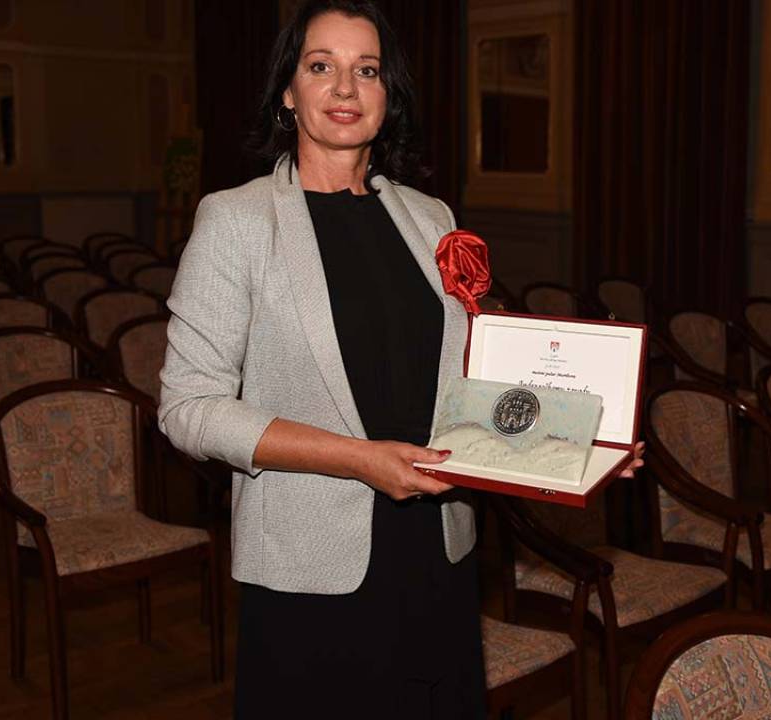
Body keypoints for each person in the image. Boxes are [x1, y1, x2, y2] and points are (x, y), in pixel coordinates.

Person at [160, 1, 642, 717]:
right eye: (321, 66)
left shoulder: (430, 218)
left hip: (436, 544)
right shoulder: (237, 221)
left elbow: (465, 376)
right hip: (311, 565)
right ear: (288, 91)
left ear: (389, 94)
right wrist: (359, 459)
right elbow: (188, 409)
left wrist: (576, 438)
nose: (345, 88)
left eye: (368, 70)